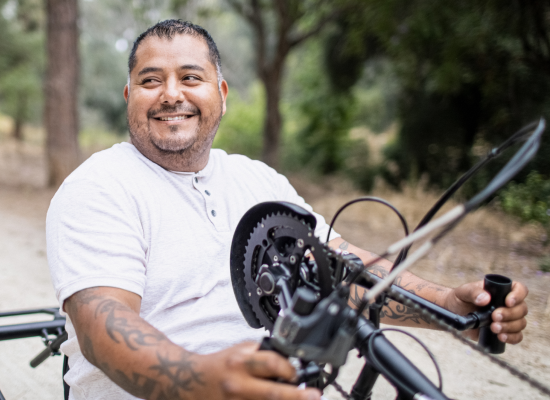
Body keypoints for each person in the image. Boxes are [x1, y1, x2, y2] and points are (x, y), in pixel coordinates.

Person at [46, 20, 529, 400]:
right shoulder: (99, 186)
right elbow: (101, 322)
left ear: (221, 94)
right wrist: (199, 381)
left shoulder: (257, 179)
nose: (171, 93)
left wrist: (448, 306)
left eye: (190, 77)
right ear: (130, 97)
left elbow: (338, 268)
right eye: (151, 80)